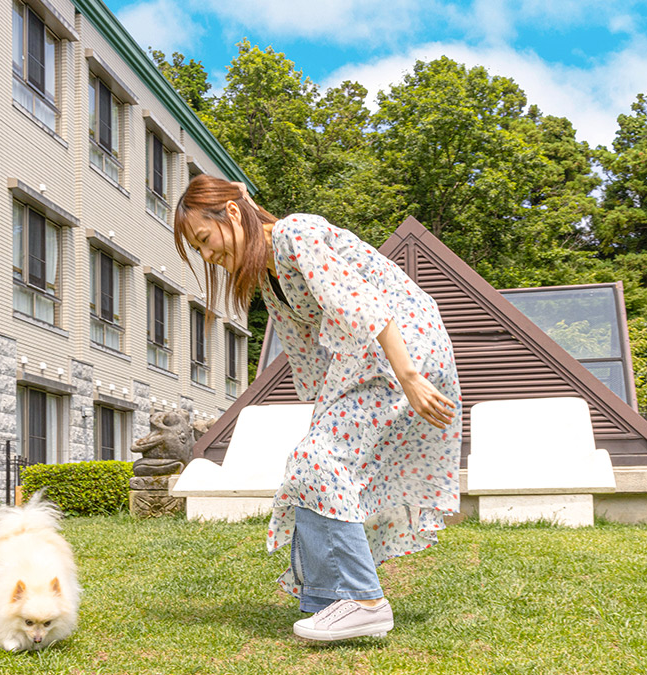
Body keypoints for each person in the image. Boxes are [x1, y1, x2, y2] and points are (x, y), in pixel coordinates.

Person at [172, 175, 462, 641]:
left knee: (317, 459)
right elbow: (313, 353)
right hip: (365, 356)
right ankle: (330, 600)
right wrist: (323, 419)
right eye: (199, 250)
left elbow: (362, 305)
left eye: (204, 241)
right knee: (309, 461)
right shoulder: (268, 274)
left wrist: (409, 377)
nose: (207, 257)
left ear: (229, 215)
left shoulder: (295, 233)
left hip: (401, 347)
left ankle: (364, 602)